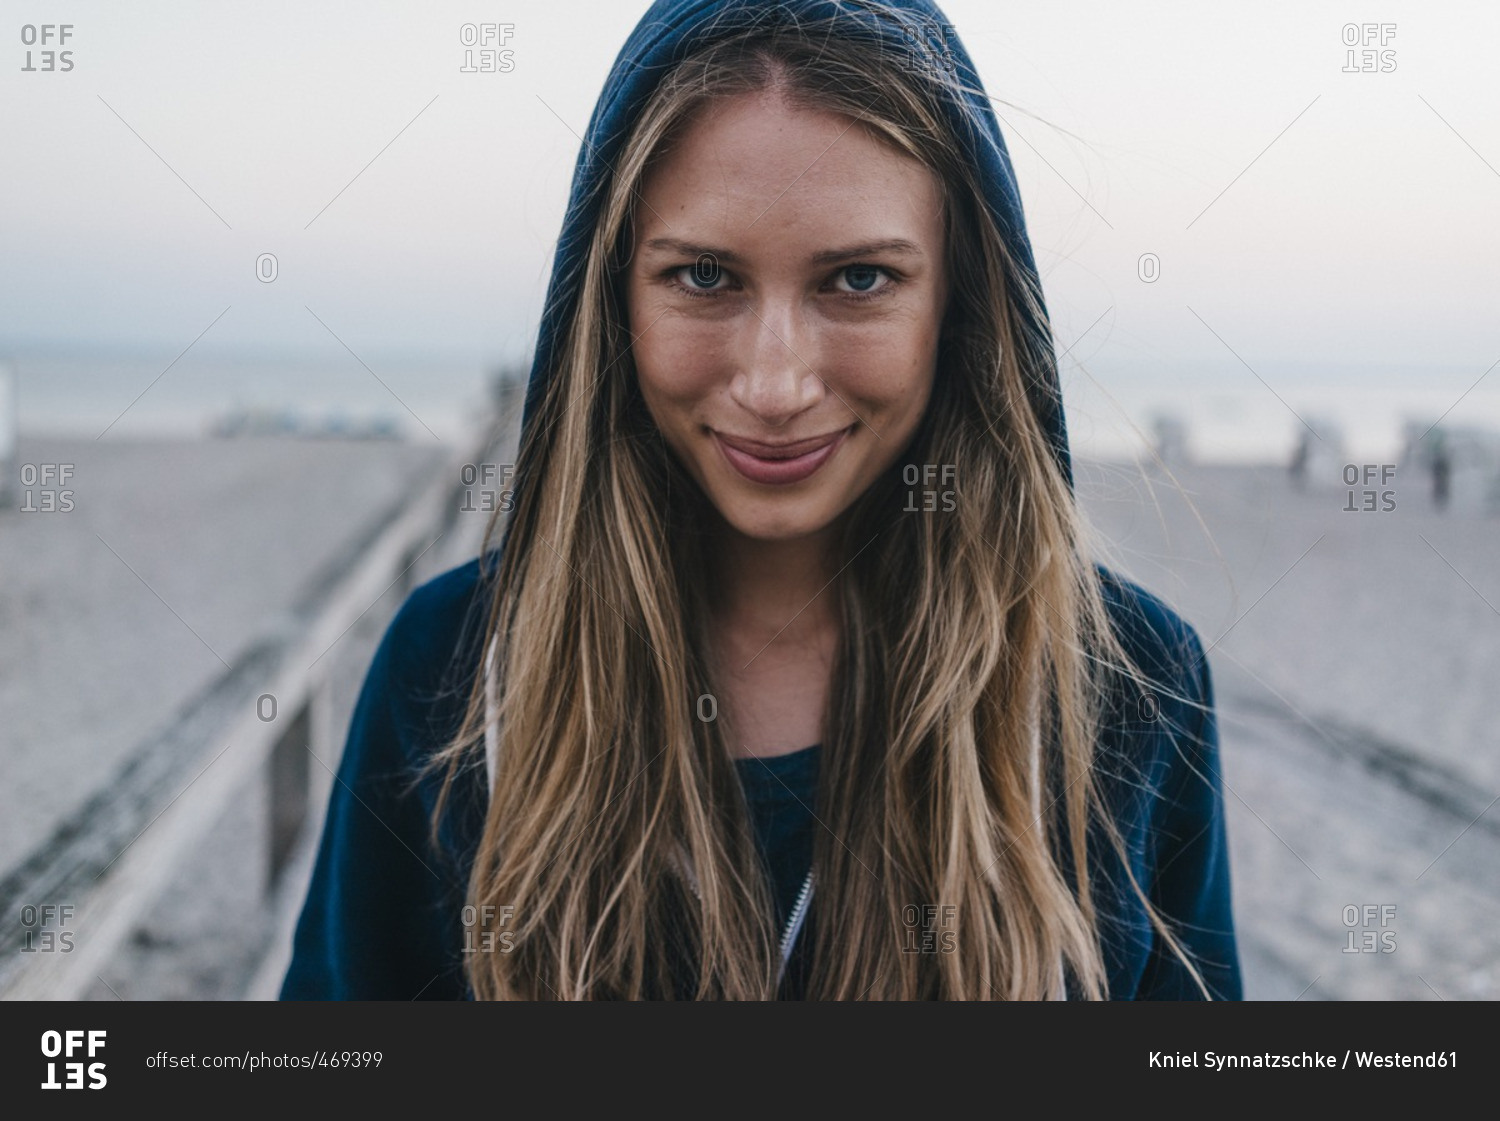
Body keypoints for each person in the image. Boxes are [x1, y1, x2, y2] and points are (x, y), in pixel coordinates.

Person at [281, 0, 1241, 1001]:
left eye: (859, 278)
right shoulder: (458, 674)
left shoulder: (1125, 688)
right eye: (704, 275)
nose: (775, 385)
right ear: (610, 297)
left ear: (960, 301)